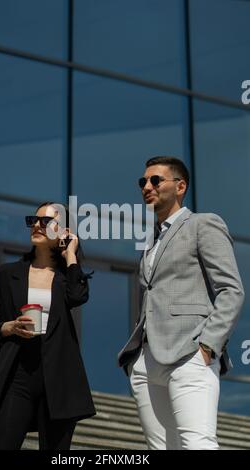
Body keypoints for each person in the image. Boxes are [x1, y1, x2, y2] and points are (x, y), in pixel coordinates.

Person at [118, 156, 244, 450]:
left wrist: (208, 344)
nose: (146, 186)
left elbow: (231, 290)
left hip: (190, 353)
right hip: (146, 360)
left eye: (155, 180)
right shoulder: (150, 242)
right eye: (142, 182)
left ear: (180, 186)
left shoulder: (204, 224)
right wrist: (136, 361)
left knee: (197, 444)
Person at [0, 202, 95, 450]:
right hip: (17, 372)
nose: (37, 225)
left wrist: (70, 253)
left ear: (63, 231)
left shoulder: (66, 277)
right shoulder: (8, 274)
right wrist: (8, 327)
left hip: (60, 377)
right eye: (34, 220)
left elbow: (78, 296)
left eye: (46, 222)